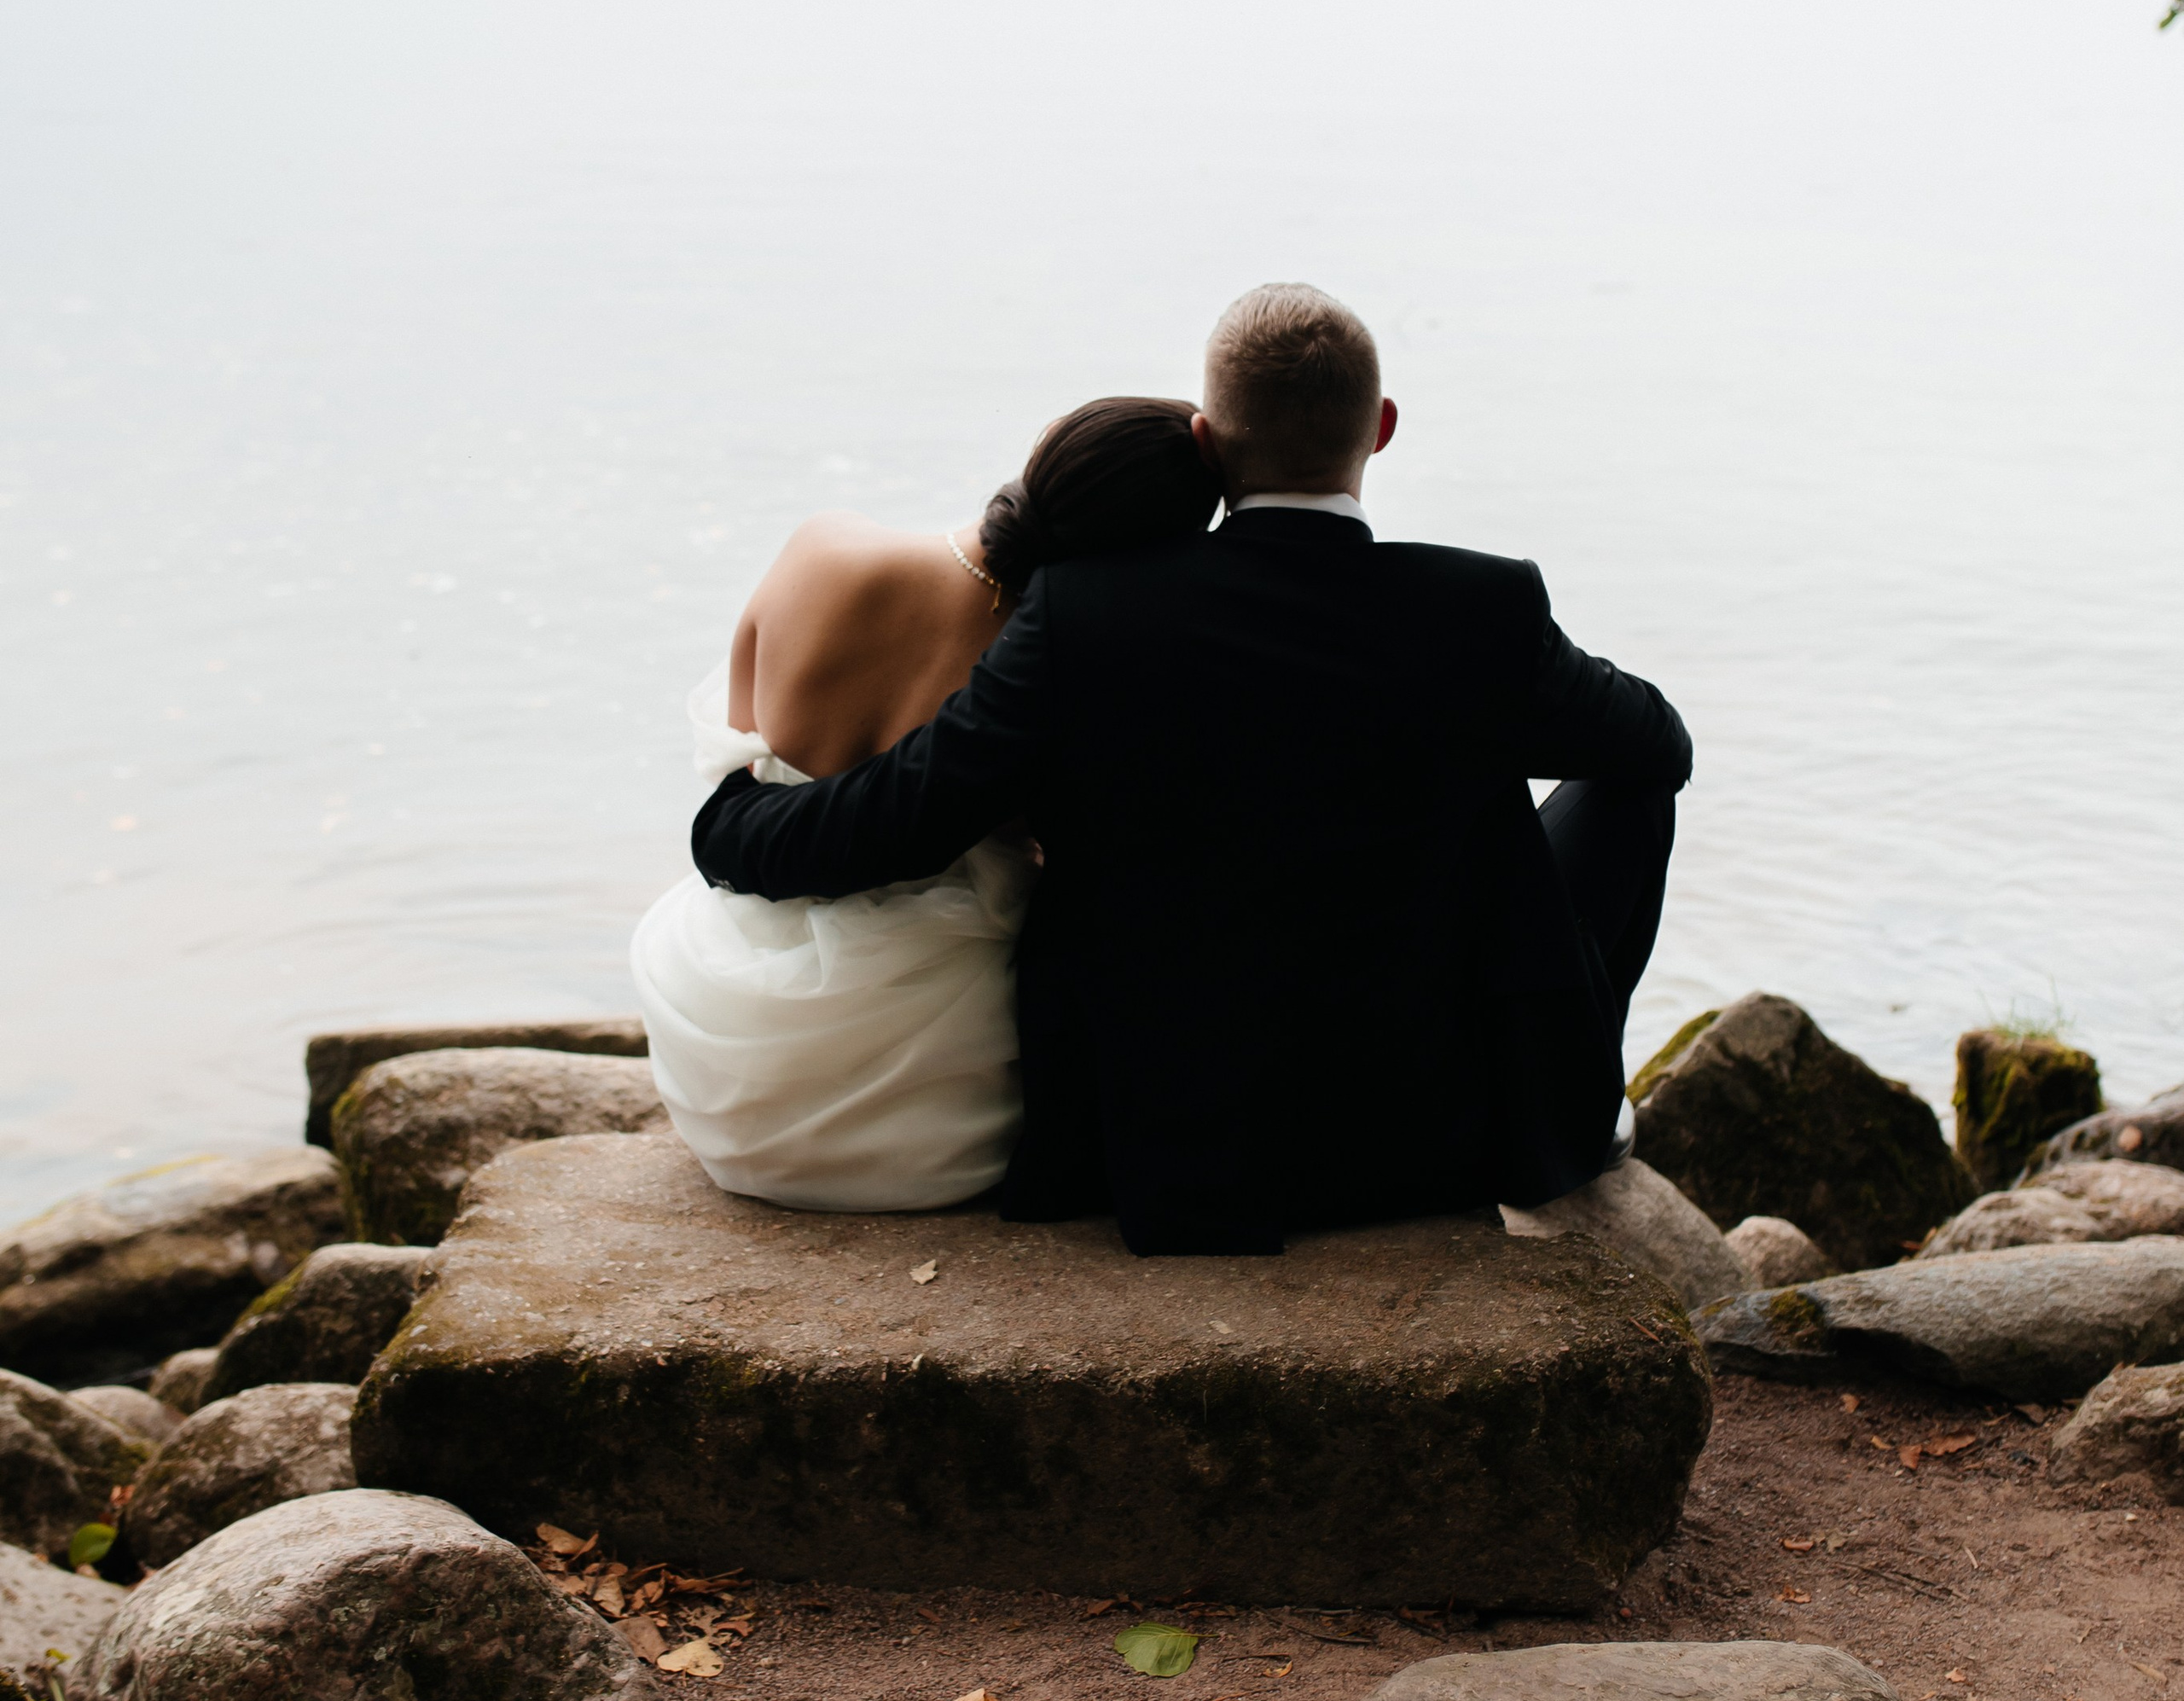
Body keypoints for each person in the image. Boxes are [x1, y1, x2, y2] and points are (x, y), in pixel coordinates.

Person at [691, 282, 1692, 1257]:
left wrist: (730, 820)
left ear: (1208, 440)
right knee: (1627, 783)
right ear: (1380, 427)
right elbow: (1660, 748)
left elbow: (895, 820)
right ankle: (1569, 1100)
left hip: (1177, 1162)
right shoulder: (1484, 607)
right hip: (1441, 1137)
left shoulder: (1084, 618)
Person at [630, 397, 1219, 1207]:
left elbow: (734, 755)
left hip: (732, 1050)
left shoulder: (826, 547)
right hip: (935, 1093)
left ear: (1043, 443)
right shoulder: (1056, 658)